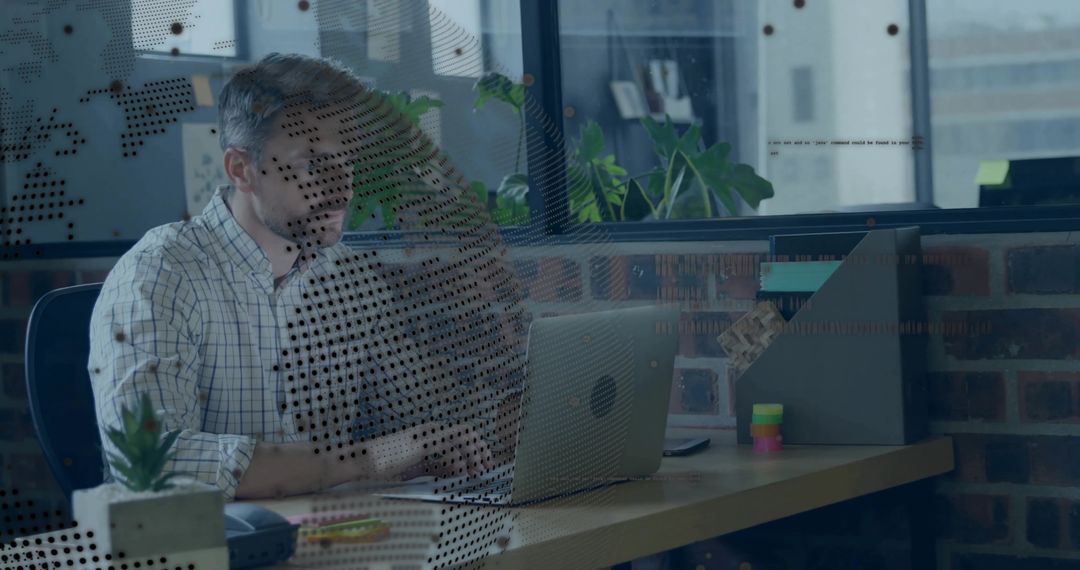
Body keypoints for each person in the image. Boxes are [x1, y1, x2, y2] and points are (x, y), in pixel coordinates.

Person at [88, 52, 493, 502]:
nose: (343, 189)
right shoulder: (159, 275)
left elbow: (419, 417)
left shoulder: (347, 278)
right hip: (207, 540)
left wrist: (473, 415)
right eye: (312, 165)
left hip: (336, 533)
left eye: (347, 162)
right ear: (242, 170)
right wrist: (364, 460)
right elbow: (149, 463)